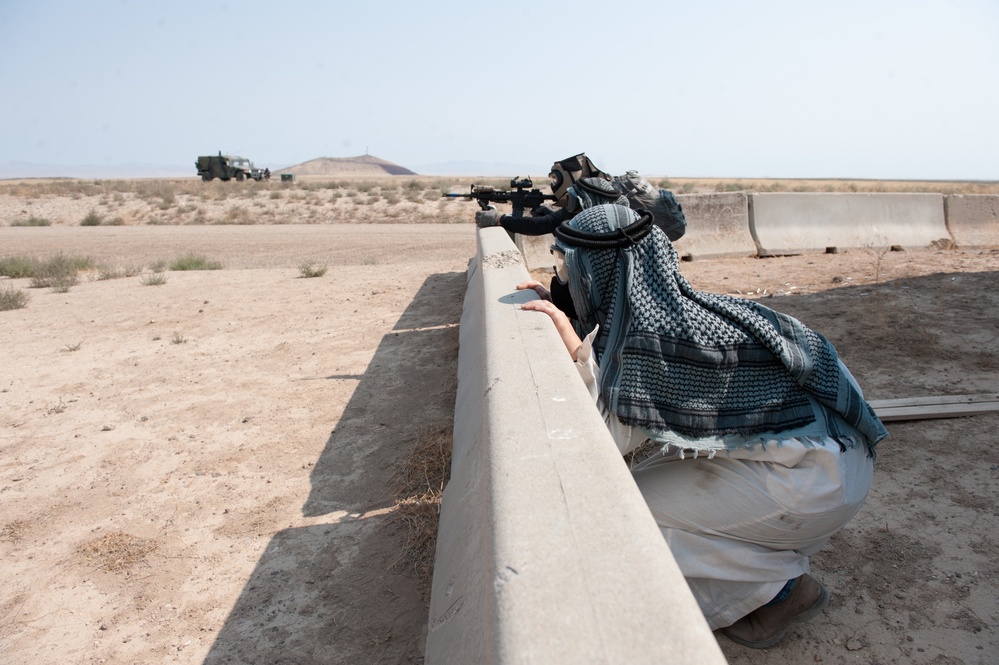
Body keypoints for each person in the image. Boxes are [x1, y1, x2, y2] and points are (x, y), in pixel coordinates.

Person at [516, 203, 887, 649]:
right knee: (642, 489)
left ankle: (782, 592)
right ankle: (765, 572)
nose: (565, 276)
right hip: (834, 460)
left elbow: (601, 443)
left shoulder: (650, 342)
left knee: (618, 513)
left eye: (569, 265)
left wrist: (576, 349)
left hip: (811, 483)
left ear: (598, 271)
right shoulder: (690, 312)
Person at [475, 153, 687, 242]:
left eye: (556, 180)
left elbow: (544, 226)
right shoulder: (605, 186)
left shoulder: (590, 193)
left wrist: (500, 219)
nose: (554, 185)